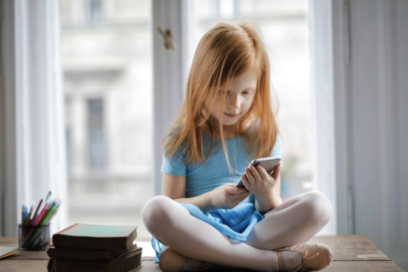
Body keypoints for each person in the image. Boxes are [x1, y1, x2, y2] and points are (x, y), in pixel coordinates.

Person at [141, 21, 334, 272]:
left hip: (253, 229)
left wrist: (265, 195)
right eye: (224, 92)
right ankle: (272, 262)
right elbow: (172, 204)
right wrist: (213, 199)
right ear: (201, 86)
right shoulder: (182, 138)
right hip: (200, 228)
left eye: (246, 92)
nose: (235, 104)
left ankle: (205, 260)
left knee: (320, 205)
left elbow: (269, 210)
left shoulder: (265, 135)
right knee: (154, 210)